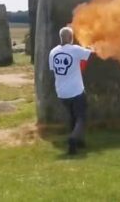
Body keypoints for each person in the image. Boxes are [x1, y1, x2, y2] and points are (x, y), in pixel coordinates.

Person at [48, 26, 93, 155]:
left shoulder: (53, 52)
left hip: (61, 93)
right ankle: (73, 139)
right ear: (70, 37)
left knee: (73, 117)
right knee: (81, 118)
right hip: (76, 91)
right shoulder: (75, 50)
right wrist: (92, 47)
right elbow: (90, 54)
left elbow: (53, 70)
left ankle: (79, 142)